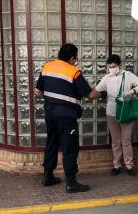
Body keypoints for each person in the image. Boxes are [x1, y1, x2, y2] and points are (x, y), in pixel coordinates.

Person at [35, 43, 96, 193]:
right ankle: (71, 183)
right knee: (69, 147)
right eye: (76, 59)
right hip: (67, 117)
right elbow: (90, 94)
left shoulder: (47, 67)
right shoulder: (73, 72)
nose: (76, 61)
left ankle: (48, 177)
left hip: (50, 113)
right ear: (70, 58)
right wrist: (102, 92)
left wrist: (52, 101)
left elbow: (38, 91)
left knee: (52, 142)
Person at [91, 54, 138, 176]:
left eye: (114, 66)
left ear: (119, 65)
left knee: (126, 139)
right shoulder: (107, 78)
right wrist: (87, 91)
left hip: (126, 111)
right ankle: (116, 165)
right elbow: (97, 90)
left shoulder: (127, 75)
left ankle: (129, 165)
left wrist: (132, 91)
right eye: (110, 66)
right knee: (116, 140)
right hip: (111, 113)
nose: (112, 68)